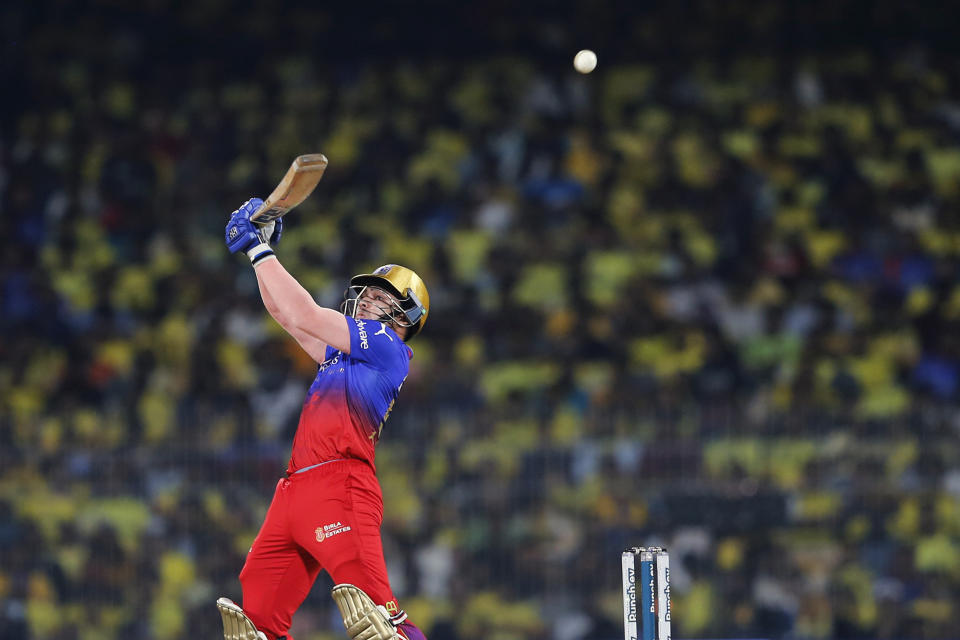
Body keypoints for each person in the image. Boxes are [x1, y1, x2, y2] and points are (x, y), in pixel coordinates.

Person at [217, 198, 430, 640]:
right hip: (294, 489)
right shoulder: (344, 353)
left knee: (381, 620)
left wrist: (260, 252)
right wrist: (259, 257)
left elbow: (306, 313)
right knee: (255, 622)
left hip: (340, 485)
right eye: (367, 292)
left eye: (381, 295)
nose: (367, 298)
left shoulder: (386, 343)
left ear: (405, 314)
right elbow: (285, 316)